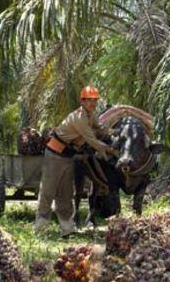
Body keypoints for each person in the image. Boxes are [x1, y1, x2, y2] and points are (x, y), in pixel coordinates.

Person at [34, 85, 117, 238]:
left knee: (66, 193)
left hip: (67, 156)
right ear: (83, 101)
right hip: (54, 154)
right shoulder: (79, 117)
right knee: (48, 190)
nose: (93, 103)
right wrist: (109, 149)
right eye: (89, 100)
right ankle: (40, 227)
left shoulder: (91, 115)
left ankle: (67, 228)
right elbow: (91, 139)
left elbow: (100, 128)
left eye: (95, 100)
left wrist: (114, 133)